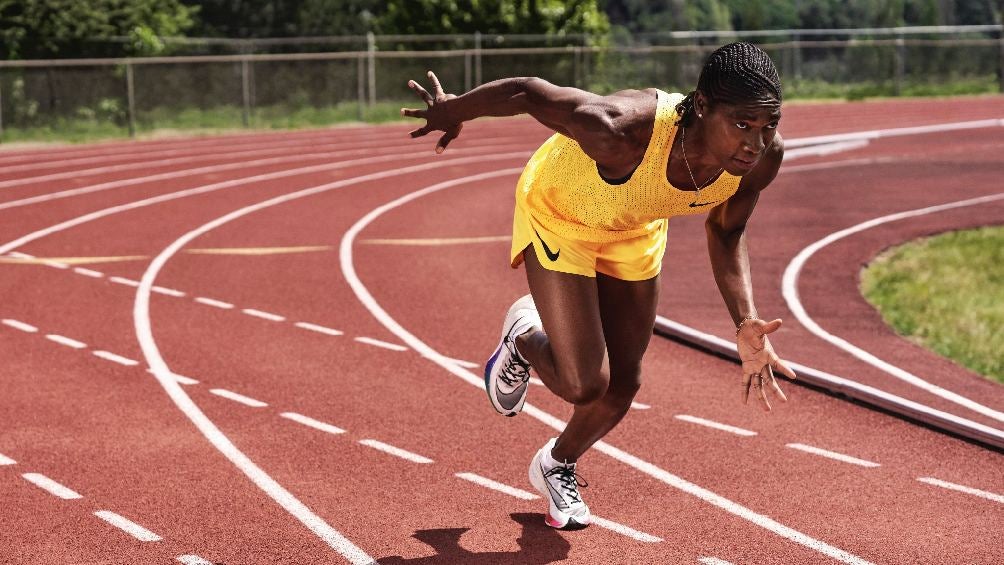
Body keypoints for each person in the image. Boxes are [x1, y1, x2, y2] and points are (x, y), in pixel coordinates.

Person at [402, 42, 798, 531]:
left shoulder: (761, 160)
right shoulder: (618, 130)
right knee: (585, 383)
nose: (754, 145)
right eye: (742, 125)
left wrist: (744, 320)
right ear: (701, 107)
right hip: (562, 214)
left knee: (624, 382)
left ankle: (556, 464)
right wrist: (452, 111)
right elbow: (528, 92)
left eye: (768, 126)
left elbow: (726, 230)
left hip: (635, 225)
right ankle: (525, 336)